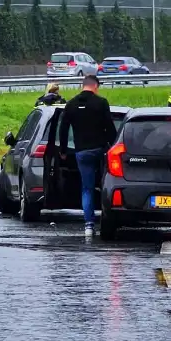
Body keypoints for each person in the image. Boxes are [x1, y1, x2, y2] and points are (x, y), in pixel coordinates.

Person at [59, 75, 118, 235]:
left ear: (82, 85)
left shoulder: (70, 105)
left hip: (82, 152)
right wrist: (114, 147)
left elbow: (63, 130)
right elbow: (110, 128)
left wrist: (63, 151)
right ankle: (108, 218)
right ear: (96, 86)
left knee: (87, 188)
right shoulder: (101, 103)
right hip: (101, 150)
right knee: (107, 184)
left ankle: (89, 225)